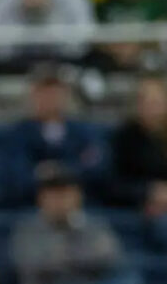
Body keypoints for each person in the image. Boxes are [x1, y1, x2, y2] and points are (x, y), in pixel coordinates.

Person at [11, 162, 123, 284]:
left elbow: (108, 257)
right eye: (53, 195)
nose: (60, 201)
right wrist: (78, 260)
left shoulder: (94, 226)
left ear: (78, 197)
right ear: (40, 198)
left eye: (65, 194)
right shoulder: (27, 229)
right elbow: (31, 264)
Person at [108, 74, 167, 214]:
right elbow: (113, 185)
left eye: (156, 102)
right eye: (143, 101)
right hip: (135, 208)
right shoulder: (123, 137)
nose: (149, 107)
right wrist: (148, 192)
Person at [10, 67, 107, 197]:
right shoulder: (19, 133)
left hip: (80, 199)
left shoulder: (84, 132)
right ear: (33, 97)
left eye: (55, 94)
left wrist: (62, 171)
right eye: (44, 94)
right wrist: (40, 175)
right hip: (32, 200)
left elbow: (95, 166)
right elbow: (17, 172)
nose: (50, 101)